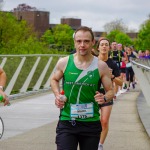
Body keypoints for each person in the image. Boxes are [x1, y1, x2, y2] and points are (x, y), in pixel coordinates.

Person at [50, 26, 114, 150]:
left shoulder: (101, 66)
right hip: (67, 121)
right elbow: (54, 79)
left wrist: (104, 98)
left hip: (91, 123)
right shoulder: (64, 62)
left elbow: (110, 91)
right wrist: (57, 95)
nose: (82, 45)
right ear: (75, 42)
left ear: (93, 43)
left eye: (86, 41)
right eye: (79, 41)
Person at [96, 38, 123, 150]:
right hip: (93, 95)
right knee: (91, 122)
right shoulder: (93, 61)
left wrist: (112, 77)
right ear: (98, 47)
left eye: (106, 45)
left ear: (109, 48)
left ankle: (100, 145)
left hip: (107, 95)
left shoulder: (112, 63)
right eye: (102, 44)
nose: (104, 46)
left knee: (105, 121)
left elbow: (120, 82)